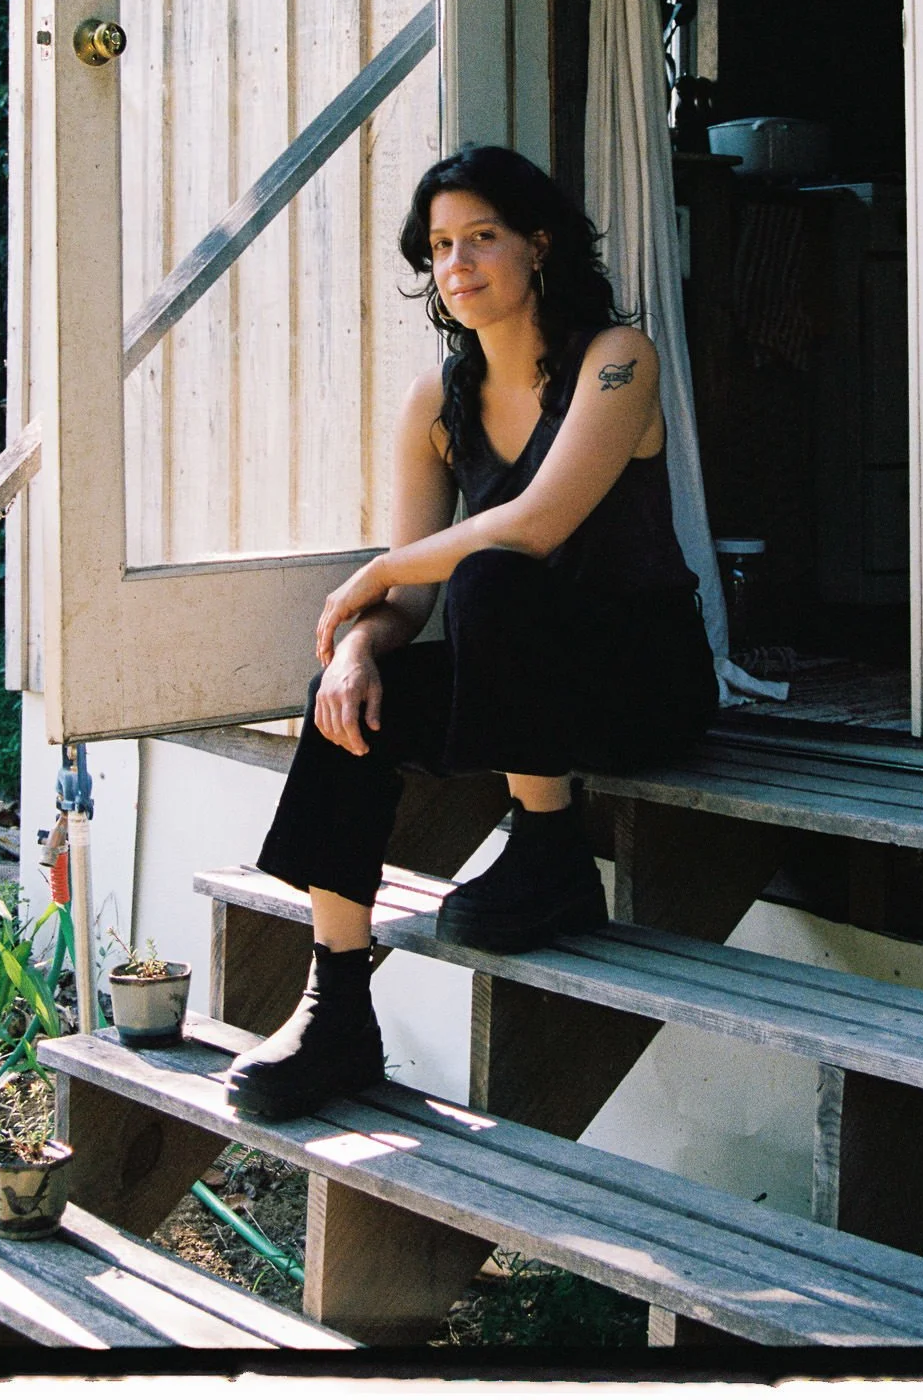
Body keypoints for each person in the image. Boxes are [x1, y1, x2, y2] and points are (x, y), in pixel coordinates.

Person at [226, 145, 717, 1119]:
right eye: (440, 246)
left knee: (492, 567)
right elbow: (408, 598)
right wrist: (357, 647)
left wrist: (375, 571)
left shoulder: (616, 359)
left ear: (537, 244)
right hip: (521, 682)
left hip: (640, 680)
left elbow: (535, 521)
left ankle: (549, 849)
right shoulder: (435, 402)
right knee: (346, 704)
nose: (456, 263)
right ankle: (335, 1002)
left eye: (480, 237)